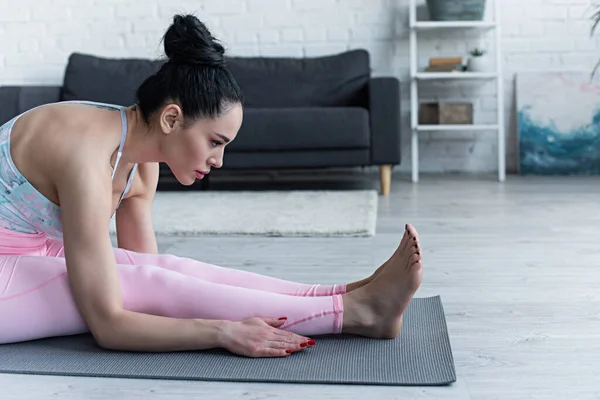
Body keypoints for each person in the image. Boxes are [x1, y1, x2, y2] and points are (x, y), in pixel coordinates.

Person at [0, 14, 423, 358]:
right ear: (170, 119)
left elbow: (150, 276)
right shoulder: (86, 155)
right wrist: (222, 332)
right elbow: (110, 323)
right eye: (215, 142)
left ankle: (343, 294)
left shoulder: (139, 161)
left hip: (29, 253)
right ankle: (356, 314)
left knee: (161, 270)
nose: (219, 160)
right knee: (132, 282)